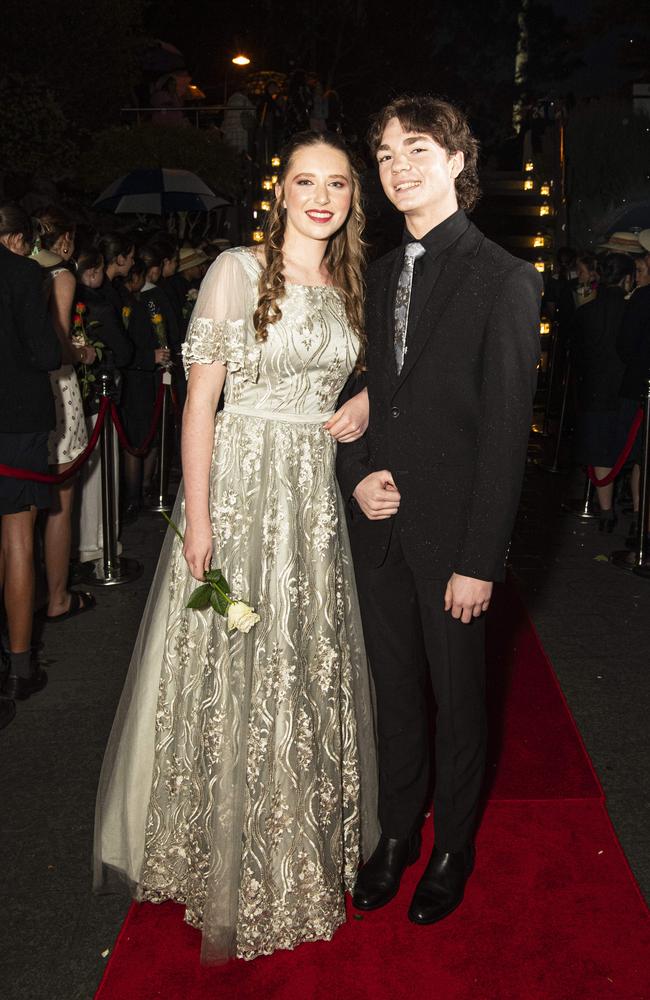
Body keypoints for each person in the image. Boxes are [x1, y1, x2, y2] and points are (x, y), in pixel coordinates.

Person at [95, 130, 379, 964]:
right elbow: (199, 404)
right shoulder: (235, 270)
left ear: (351, 198)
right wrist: (203, 518)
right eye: (305, 181)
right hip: (245, 485)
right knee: (232, 656)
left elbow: (363, 381)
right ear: (281, 192)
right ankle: (210, 846)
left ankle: (294, 844)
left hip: (314, 498)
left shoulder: (350, 282)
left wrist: (363, 404)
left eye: (336, 183)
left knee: (301, 663)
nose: (321, 196)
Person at [336, 95, 541, 926]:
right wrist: (356, 471)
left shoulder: (505, 278)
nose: (397, 168)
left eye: (415, 149)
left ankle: (452, 846)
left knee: (459, 704)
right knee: (393, 694)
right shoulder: (379, 274)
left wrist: (479, 561)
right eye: (384, 156)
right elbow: (358, 398)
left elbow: (503, 437)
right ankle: (397, 834)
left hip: (454, 542)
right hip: (380, 530)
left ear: (458, 160)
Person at [0, 204, 61, 724]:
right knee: (18, 538)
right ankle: (20, 665)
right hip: (17, 417)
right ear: (17, 237)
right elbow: (44, 354)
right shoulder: (23, 274)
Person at [32, 206, 97, 622]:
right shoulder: (62, 275)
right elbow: (56, 341)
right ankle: (57, 594)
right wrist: (84, 352)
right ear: (67, 239)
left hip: (24, 387)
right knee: (61, 496)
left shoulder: (19, 269)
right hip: (57, 386)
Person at [73, 246, 133, 563]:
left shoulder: (60, 297)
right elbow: (123, 351)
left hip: (75, 397)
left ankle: (82, 541)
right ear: (93, 271)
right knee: (98, 471)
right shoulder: (97, 304)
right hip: (100, 393)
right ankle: (97, 541)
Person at [571, 252, 634, 529]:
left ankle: (606, 512)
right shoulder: (633, 311)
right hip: (624, 390)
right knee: (624, 447)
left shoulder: (586, 311)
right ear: (628, 279)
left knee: (600, 450)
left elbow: (578, 354)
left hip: (595, 389)